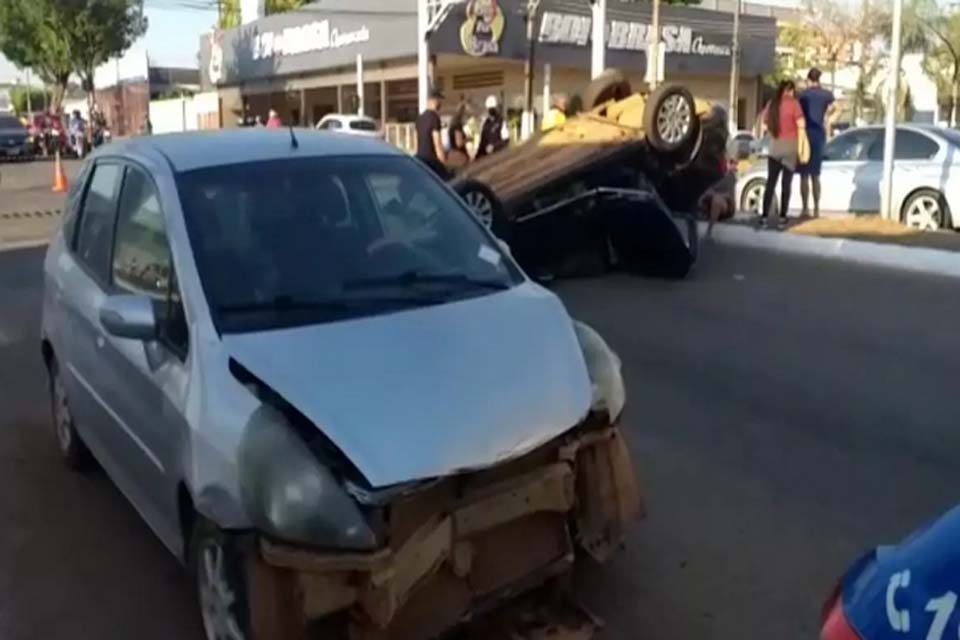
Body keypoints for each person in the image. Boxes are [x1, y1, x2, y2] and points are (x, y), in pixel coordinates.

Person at [760, 80, 806, 228]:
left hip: (774, 147)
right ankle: (782, 217)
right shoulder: (794, 104)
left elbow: (764, 124)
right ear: (790, 90)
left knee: (770, 183)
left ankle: (764, 216)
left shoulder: (772, 104)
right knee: (786, 184)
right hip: (790, 147)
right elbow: (801, 124)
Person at [797, 68, 836, 218]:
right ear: (819, 79)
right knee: (815, 175)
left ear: (808, 80)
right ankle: (816, 208)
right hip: (819, 136)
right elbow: (836, 107)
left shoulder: (803, 95)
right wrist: (828, 118)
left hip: (805, 135)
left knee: (804, 175)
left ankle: (804, 208)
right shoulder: (826, 94)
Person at [415, 89, 447, 177]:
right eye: (440, 101)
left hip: (421, 160)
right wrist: (443, 164)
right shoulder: (434, 118)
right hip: (432, 161)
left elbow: (416, 142)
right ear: (435, 100)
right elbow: (437, 144)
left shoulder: (419, 118)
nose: (441, 104)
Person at [476, 94, 508, 160]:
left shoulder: (501, 122)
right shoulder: (485, 124)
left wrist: (494, 146)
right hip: (486, 157)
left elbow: (506, 140)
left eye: (492, 109)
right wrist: (477, 157)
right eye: (489, 109)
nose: (491, 111)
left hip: (498, 156)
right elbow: (482, 142)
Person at [447, 100, 471, 169]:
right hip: (460, 156)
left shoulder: (452, 127)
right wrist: (468, 139)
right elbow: (459, 143)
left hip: (453, 154)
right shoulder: (457, 127)